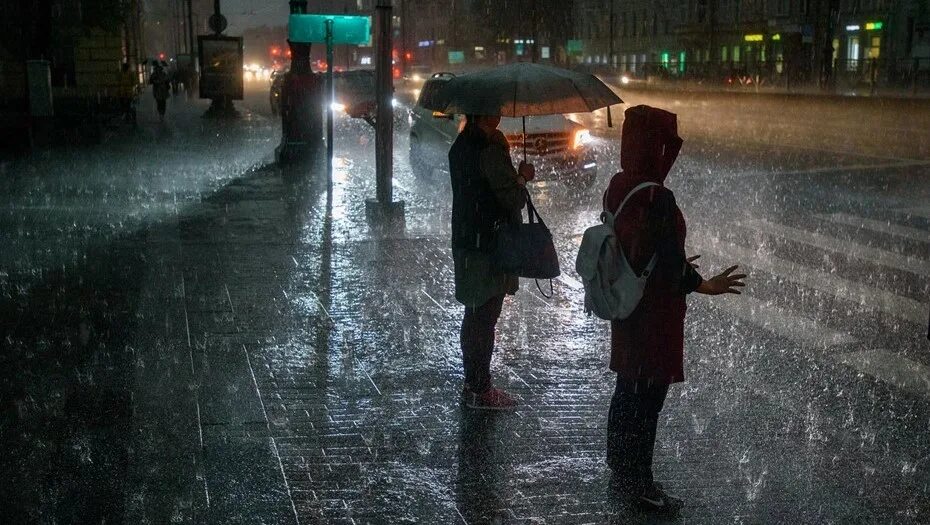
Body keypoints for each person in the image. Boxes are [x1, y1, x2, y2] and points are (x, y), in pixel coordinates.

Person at [602, 105, 746, 513]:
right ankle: (640, 483)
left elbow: (641, 247)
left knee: (628, 386)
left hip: (628, 306)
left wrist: (671, 257)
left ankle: (621, 464)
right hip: (654, 316)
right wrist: (706, 284)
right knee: (647, 398)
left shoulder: (620, 185)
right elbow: (668, 269)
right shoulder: (656, 198)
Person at [449, 114, 535, 410]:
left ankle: (473, 381)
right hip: (487, 244)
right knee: (484, 317)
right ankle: (481, 388)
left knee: (474, 314)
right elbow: (512, 198)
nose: (499, 111)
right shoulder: (488, 150)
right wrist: (522, 176)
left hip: (468, 239)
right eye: (494, 106)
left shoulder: (462, 145)